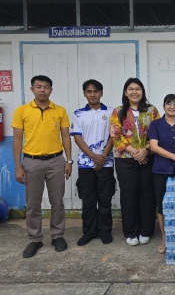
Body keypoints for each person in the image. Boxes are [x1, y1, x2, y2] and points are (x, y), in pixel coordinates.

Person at [12, 75, 72, 258]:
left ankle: (57, 235)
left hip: (56, 161)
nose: (42, 90)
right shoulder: (22, 111)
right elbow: (16, 139)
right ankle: (35, 239)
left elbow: (66, 137)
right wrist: (18, 167)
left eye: (46, 87)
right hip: (31, 162)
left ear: (51, 90)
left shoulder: (60, 111)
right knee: (33, 204)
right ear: (32, 89)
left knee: (57, 202)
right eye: (38, 86)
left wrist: (69, 161)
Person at [110, 77, 160, 246]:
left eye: (138, 89)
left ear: (142, 91)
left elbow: (158, 133)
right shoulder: (118, 112)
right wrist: (135, 152)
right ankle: (131, 232)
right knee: (129, 195)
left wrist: (146, 150)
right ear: (125, 92)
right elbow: (116, 135)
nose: (134, 92)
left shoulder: (152, 111)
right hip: (125, 160)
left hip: (148, 157)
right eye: (130, 89)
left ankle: (146, 230)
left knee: (147, 194)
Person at [70, 79, 115, 246]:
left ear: (101, 93)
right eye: (89, 91)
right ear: (84, 94)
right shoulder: (78, 113)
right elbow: (77, 138)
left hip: (106, 163)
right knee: (88, 200)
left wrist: (102, 156)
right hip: (85, 164)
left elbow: (113, 136)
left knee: (105, 198)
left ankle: (105, 230)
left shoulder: (111, 112)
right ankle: (89, 231)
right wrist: (93, 157)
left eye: (96, 91)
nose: (93, 94)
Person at [148, 94, 175, 254]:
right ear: (163, 106)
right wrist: (173, 156)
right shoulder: (156, 124)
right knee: (162, 206)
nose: (172, 106)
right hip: (161, 170)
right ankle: (165, 238)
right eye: (168, 103)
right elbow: (153, 146)